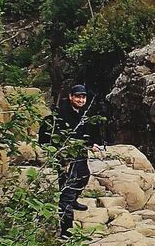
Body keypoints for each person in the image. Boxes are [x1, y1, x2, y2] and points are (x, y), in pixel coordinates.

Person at [37, 84, 106, 237]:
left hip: (79, 155)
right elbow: (57, 137)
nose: (81, 100)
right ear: (71, 97)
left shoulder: (82, 113)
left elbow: (83, 133)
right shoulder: (61, 114)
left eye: (83, 97)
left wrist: (91, 143)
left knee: (84, 176)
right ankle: (65, 231)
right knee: (66, 191)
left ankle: (74, 201)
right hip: (66, 158)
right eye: (78, 96)